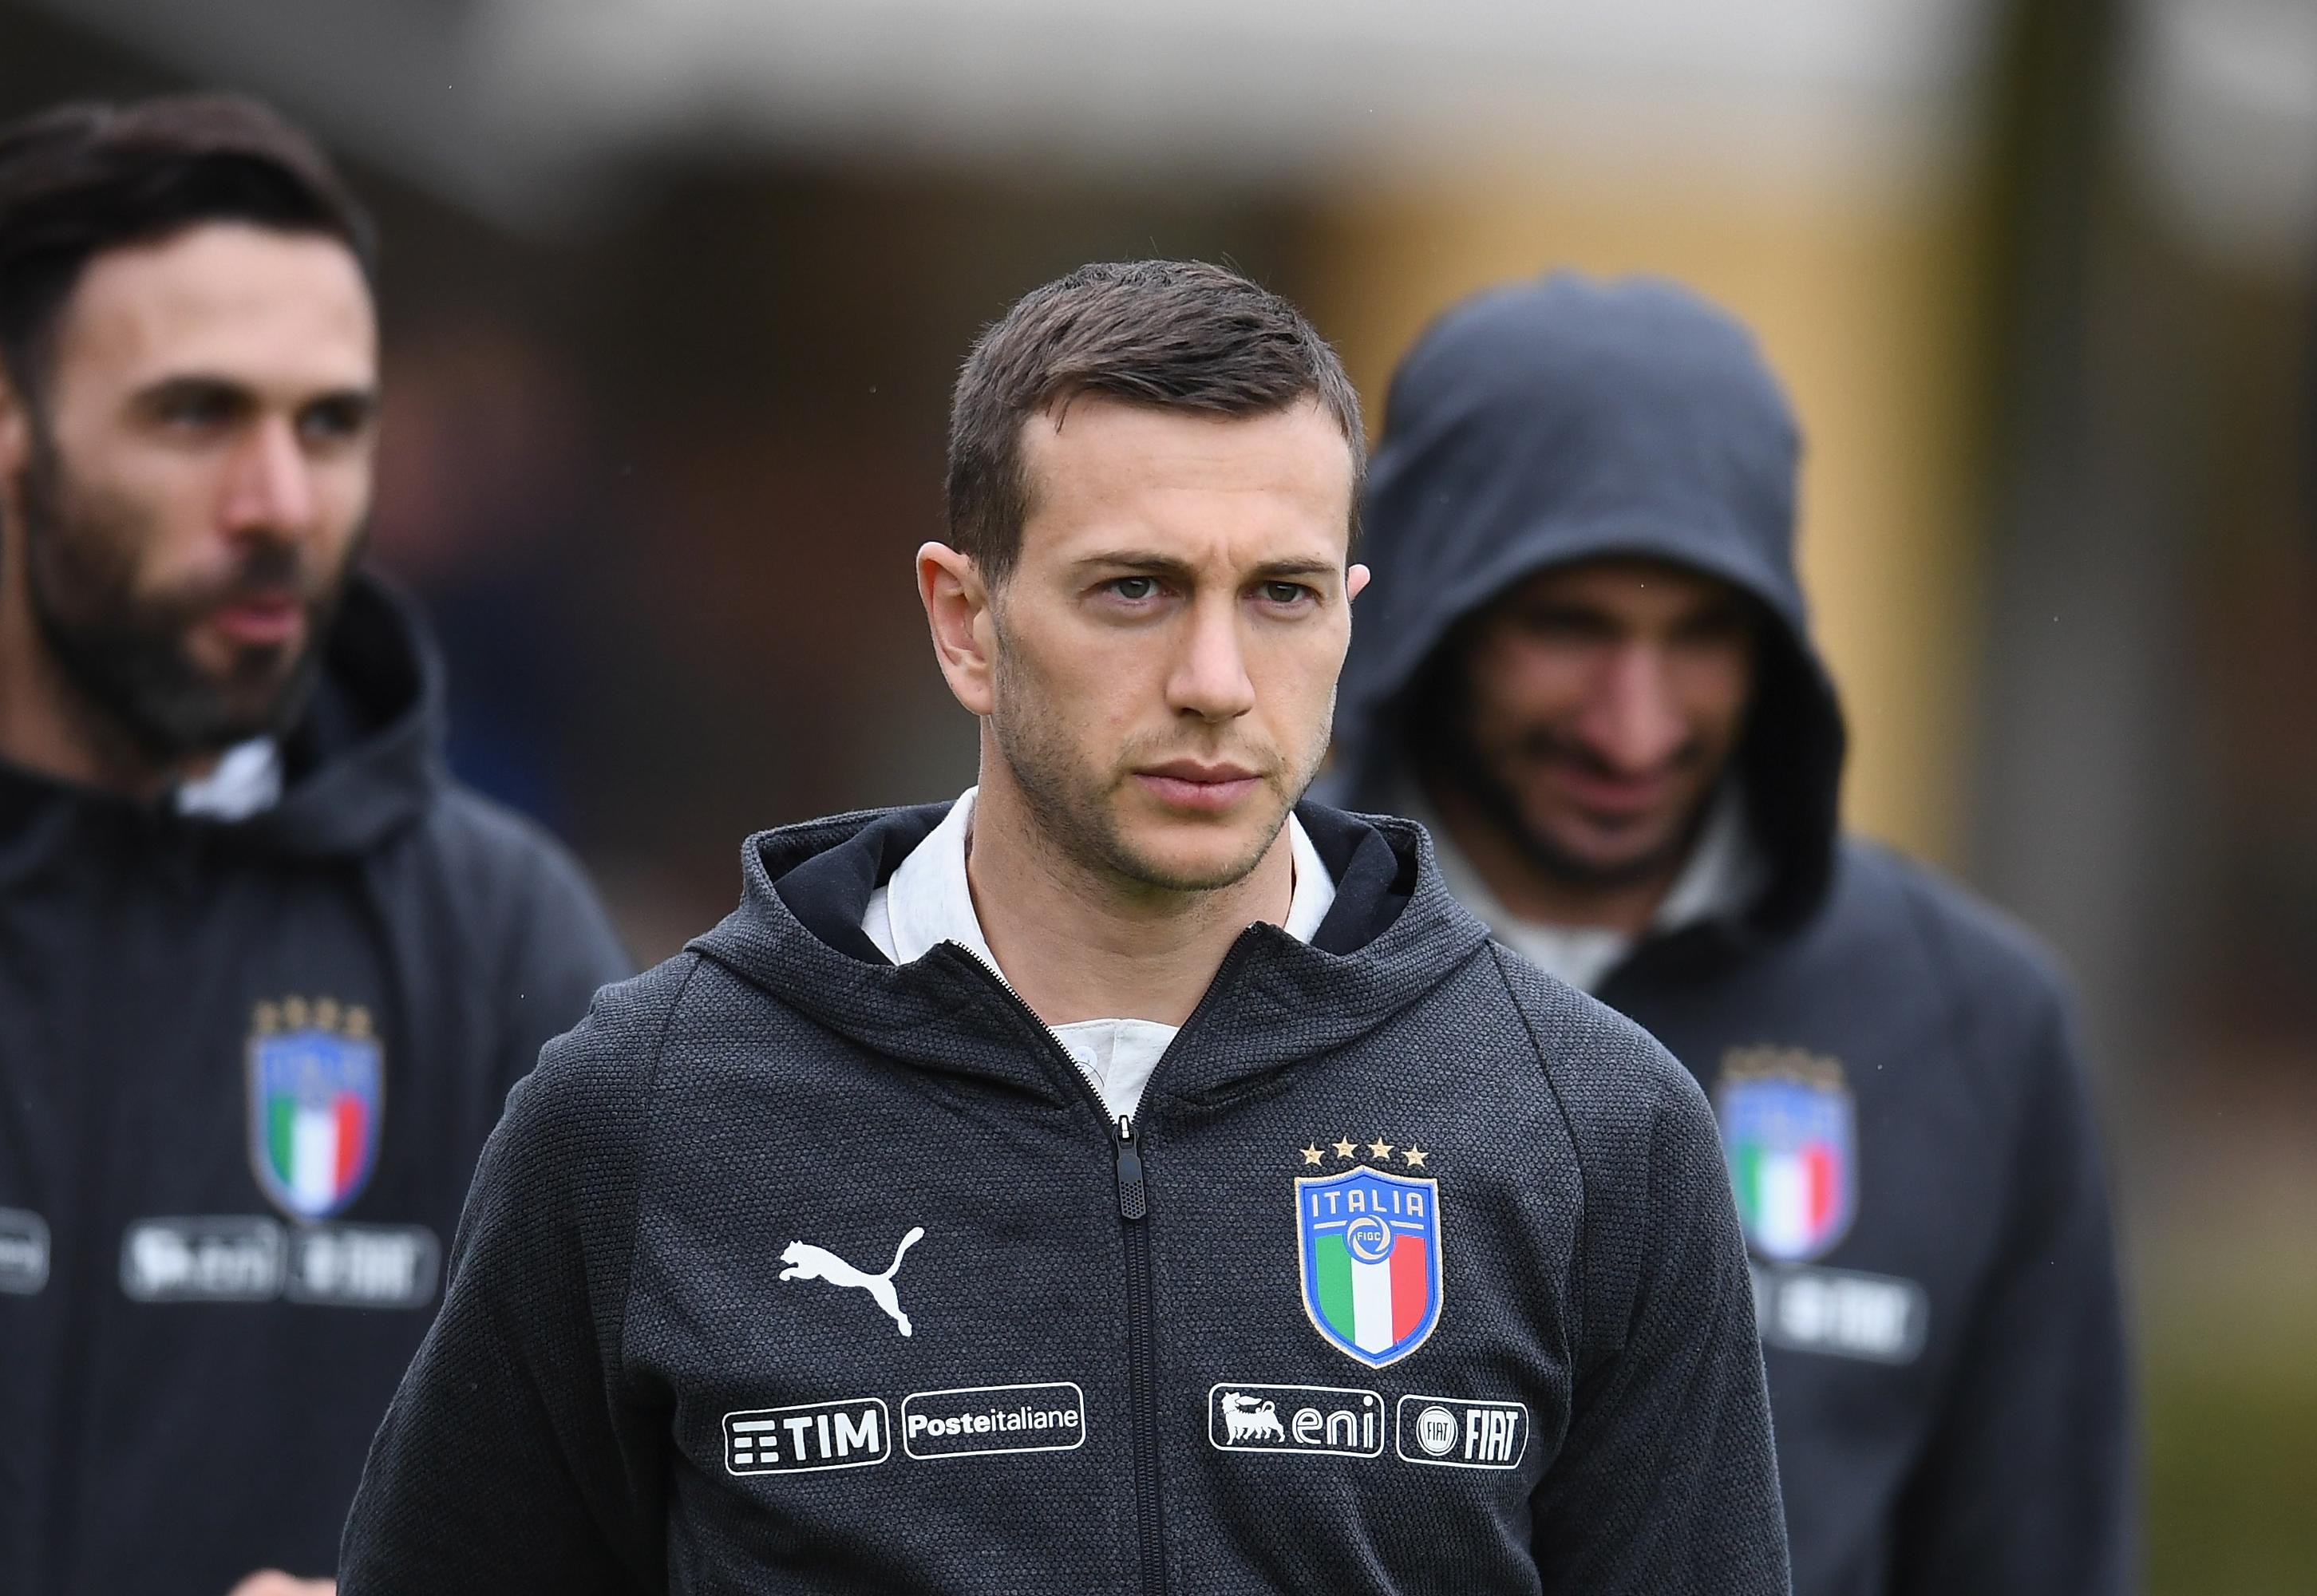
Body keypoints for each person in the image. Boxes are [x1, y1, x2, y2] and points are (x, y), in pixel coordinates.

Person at [338, 259, 1789, 1594]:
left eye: (1280, 595)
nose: (1216, 678)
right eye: (1136, 590)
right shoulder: (646, 1115)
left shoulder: (1592, 1132)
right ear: (964, 621)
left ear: (1352, 618)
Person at [0, 95, 635, 1596]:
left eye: (330, 426)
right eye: (195, 416)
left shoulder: (500, 949)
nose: (280, 506)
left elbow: (657, 1522)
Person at [1326, 275, 2130, 1594]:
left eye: (1702, 635)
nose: (1633, 724)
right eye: (1567, 626)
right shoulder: (1234, 950)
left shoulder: (1975, 1024)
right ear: (1423, 610)